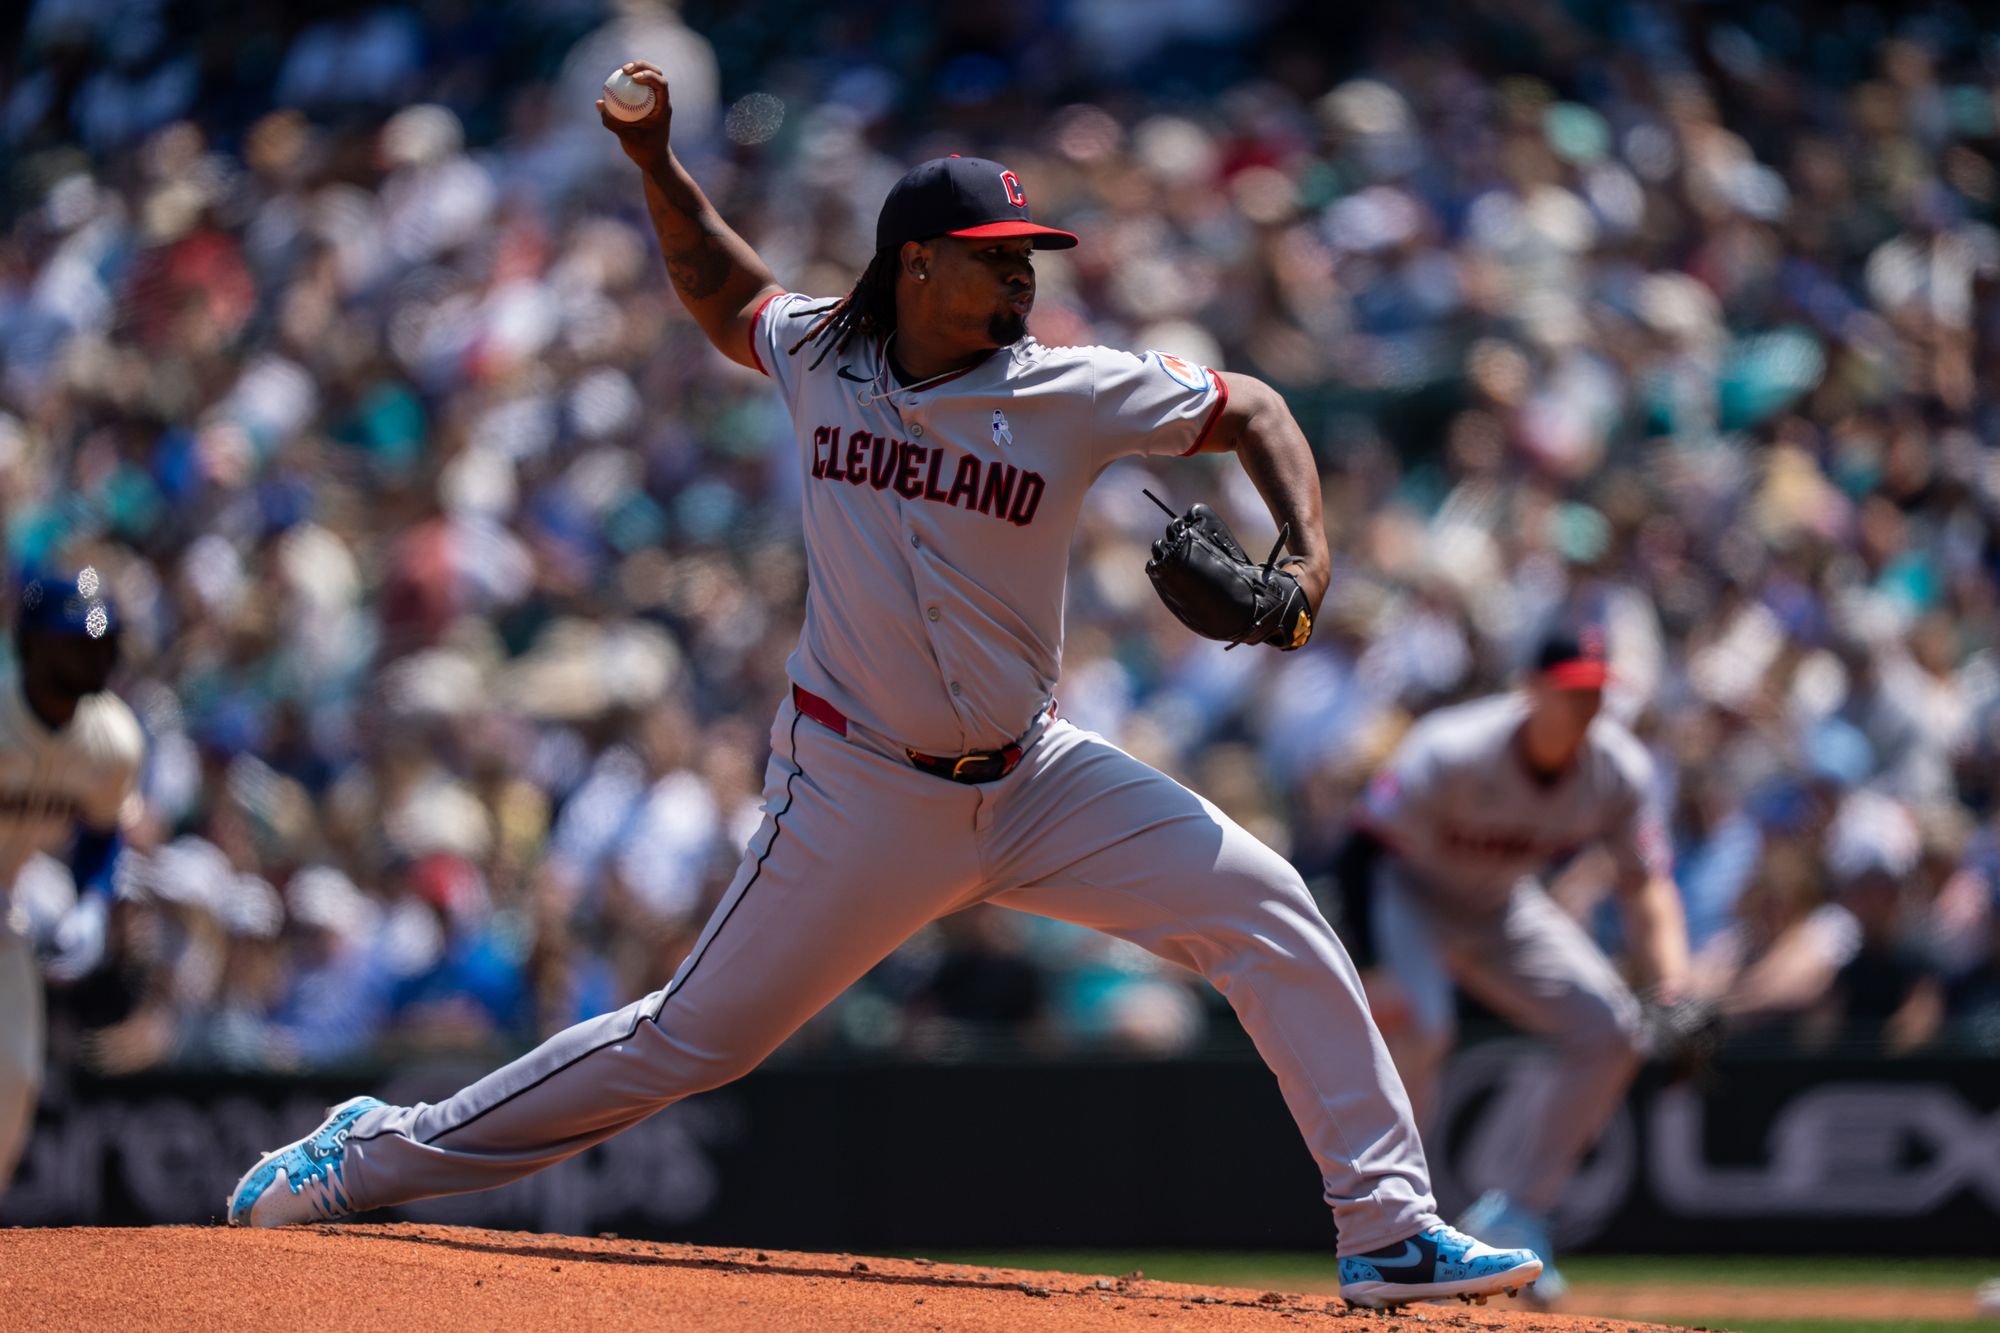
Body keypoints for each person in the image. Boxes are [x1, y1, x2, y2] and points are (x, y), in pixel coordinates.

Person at [226, 59, 1542, 1310]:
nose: (1023, 276)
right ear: (916, 266)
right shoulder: (823, 354)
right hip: (854, 787)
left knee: (1266, 903)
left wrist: (1304, 560)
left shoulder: (1067, 388)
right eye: (994, 260)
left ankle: (1385, 1230)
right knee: (688, 1041)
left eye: (1028, 256)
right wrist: (654, 159)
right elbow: (716, 286)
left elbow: (1251, 403)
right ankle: (372, 1154)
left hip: (1035, 777)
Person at [1331, 628, 1690, 1305]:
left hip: (1501, 906)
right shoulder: (1456, 745)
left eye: (1595, 694)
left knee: (1614, 1030)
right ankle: (1393, 1222)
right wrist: (1374, 963)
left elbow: (1646, 882)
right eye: (1570, 692)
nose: (1584, 708)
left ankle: (1517, 1212)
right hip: (1412, 896)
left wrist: (1672, 985)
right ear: (1531, 689)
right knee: (1425, 1024)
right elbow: (1361, 847)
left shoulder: (1617, 768)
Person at [0, 569, 144, 1199]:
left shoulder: (112, 740)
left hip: (4, 902)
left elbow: (103, 832)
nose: (91, 655)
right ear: (31, 645)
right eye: (73, 642)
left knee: (14, 1074)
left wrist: (92, 899)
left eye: (100, 642)